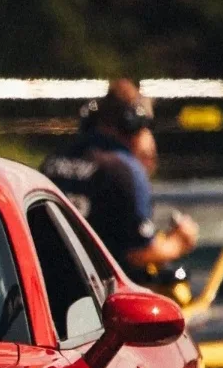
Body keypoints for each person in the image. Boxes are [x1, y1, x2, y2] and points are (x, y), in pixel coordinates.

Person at [41, 79, 197, 278]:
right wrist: (178, 242)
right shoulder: (125, 171)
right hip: (95, 296)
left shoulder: (55, 160)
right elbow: (138, 252)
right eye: (146, 124)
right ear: (132, 123)